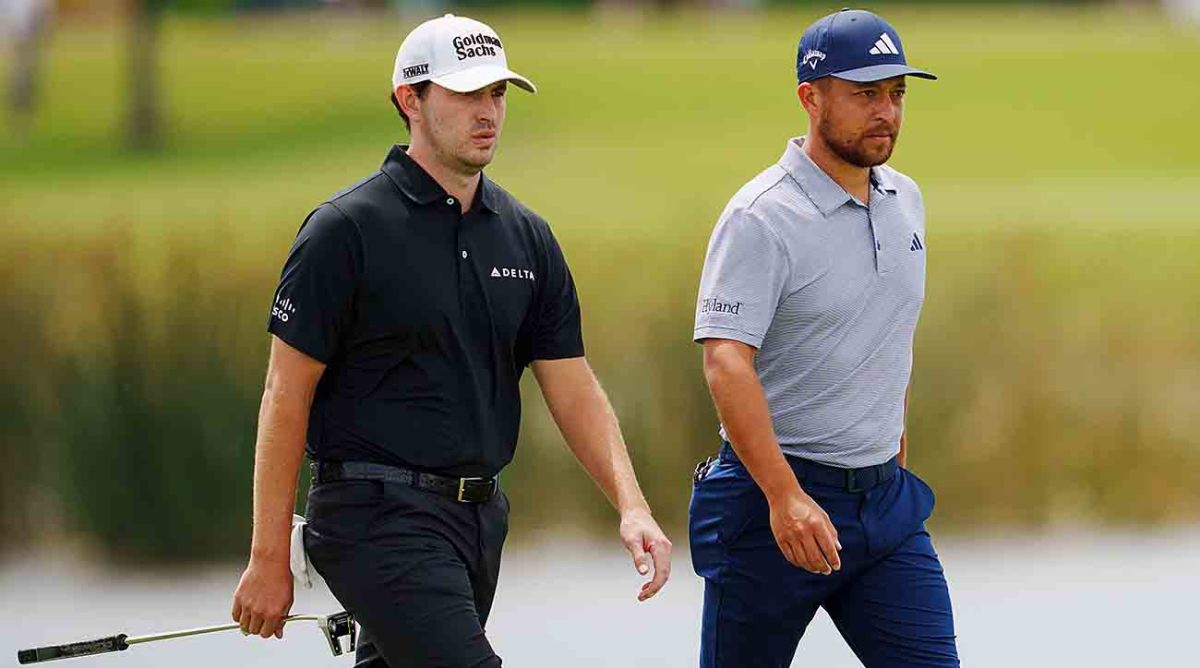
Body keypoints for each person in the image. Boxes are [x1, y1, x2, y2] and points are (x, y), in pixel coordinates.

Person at [230, 14, 671, 667]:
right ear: (410, 101)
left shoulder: (526, 237)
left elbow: (573, 385)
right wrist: (269, 555)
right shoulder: (344, 231)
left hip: (478, 521)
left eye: (497, 93)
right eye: (467, 94)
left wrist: (632, 505)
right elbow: (284, 394)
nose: (488, 110)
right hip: (373, 517)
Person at [688, 8, 958, 667]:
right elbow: (726, 362)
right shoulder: (761, 215)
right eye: (865, 94)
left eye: (896, 94)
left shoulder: (906, 200)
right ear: (811, 97)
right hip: (769, 504)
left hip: (884, 507)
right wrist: (784, 497)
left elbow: (885, 336)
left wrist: (889, 450)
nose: (886, 112)